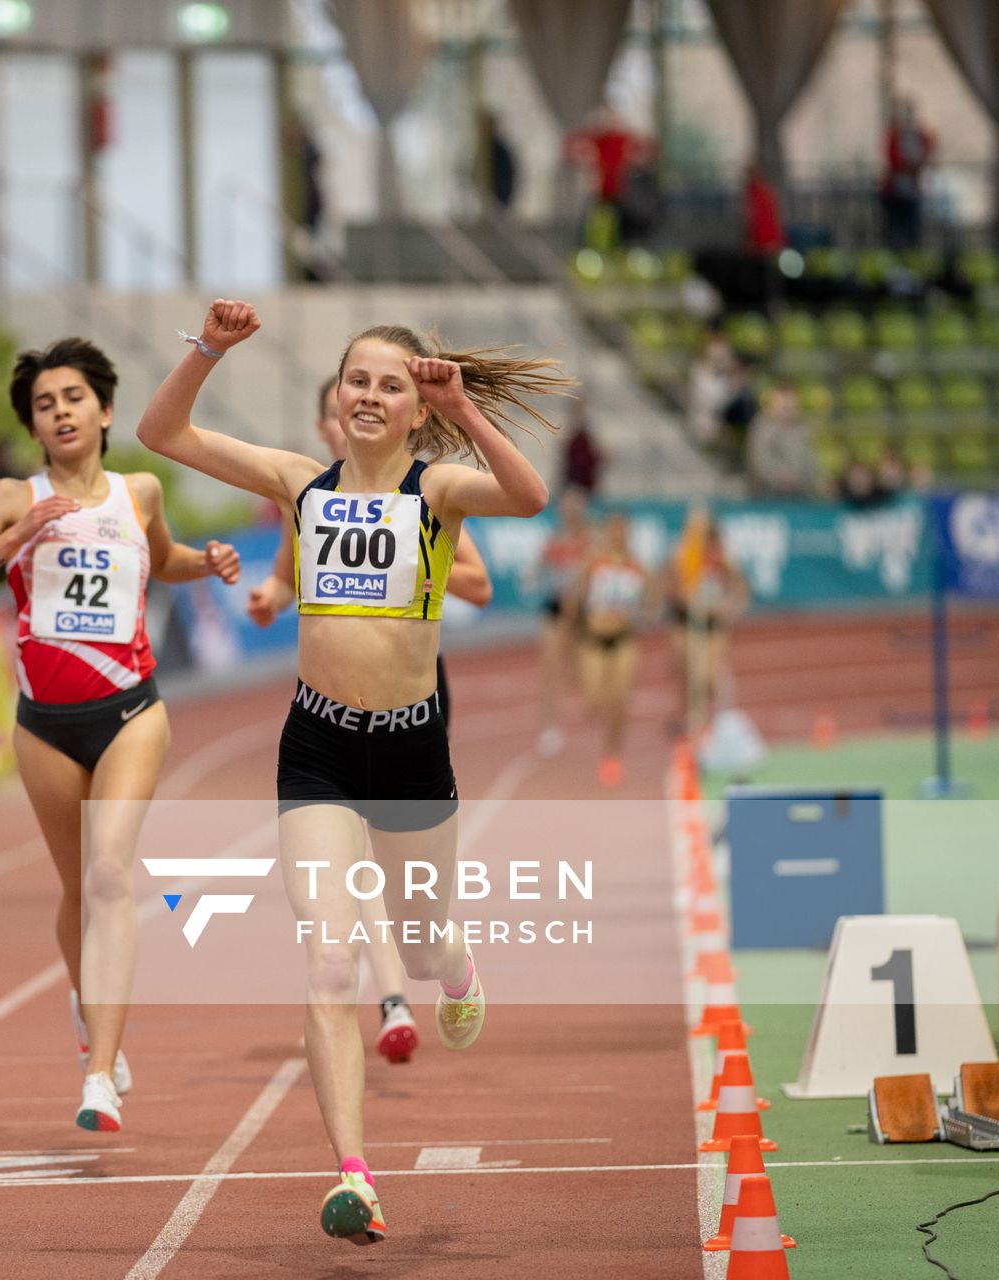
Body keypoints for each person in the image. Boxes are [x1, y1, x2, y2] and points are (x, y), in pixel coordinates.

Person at [138, 300, 565, 1245]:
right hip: (319, 747)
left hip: (412, 749)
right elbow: (160, 432)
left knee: (416, 949)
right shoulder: (302, 483)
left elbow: (532, 497)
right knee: (331, 957)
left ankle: (454, 970)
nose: (369, 396)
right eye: (356, 381)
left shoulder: (441, 490)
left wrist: (472, 411)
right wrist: (209, 350)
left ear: (418, 406)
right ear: (336, 397)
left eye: (390, 384)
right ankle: (356, 1177)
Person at [0, 337, 241, 1134]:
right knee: (74, 891)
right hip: (45, 726)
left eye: (72, 398)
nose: (59, 412)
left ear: (103, 410)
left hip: (132, 709)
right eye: (43, 405)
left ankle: (100, 1070)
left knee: (108, 877)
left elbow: (159, 560)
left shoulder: (141, 490)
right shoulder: (10, 496)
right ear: (33, 427)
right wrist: (15, 537)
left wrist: (209, 561)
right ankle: (89, 1004)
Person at [244, 373, 494, 1067]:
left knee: (388, 874)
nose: (341, 423)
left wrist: (416, 572)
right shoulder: (314, 494)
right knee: (342, 856)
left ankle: (426, 967)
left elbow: (476, 579)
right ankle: (387, 999)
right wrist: (271, 593)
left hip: (409, 693)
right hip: (328, 710)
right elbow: (292, 574)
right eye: (331, 414)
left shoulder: (421, 493)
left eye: (349, 409)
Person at [566, 511, 651, 787]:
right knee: (595, 700)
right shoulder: (594, 561)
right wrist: (572, 636)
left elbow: (653, 602)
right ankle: (604, 725)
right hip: (592, 640)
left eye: (624, 531)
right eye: (615, 531)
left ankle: (611, 755)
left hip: (623, 640)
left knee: (620, 703)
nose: (619, 536)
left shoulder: (637, 566)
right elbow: (574, 597)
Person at [662, 506, 748, 741]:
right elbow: (670, 586)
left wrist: (728, 605)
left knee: (708, 676)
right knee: (689, 673)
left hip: (711, 625)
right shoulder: (682, 553)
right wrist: (684, 599)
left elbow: (739, 586)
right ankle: (693, 719)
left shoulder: (721, 554)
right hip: (686, 624)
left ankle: (711, 719)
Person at [532, 488, 593, 757]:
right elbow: (536, 571)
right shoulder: (553, 541)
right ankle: (551, 726)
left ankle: (592, 707)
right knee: (550, 669)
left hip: (582, 614)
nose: (570, 514)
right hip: (554, 609)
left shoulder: (590, 542)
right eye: (566, 509)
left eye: (575, 509)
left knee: (580, 667)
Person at [745, 381, 819, 497]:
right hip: (766, 493)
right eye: (783, 404)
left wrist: (800, 477)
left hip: (800, 492)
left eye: (791, 404)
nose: (787, 408)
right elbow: (759, 460)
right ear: (773, 404)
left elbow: (811, 461)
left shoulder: (803, 429)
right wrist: (780, 476)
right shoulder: (762, 426)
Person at [881, 98, 934, 251]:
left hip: (912, 191)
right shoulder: (894, 136)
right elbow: (893, 160)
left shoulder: (921, 137)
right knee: (893, 231)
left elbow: (927, 154)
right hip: (894, 191)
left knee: (912, 233)